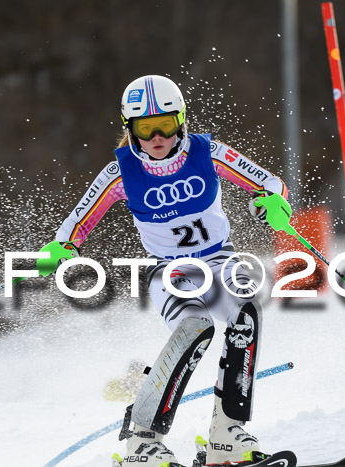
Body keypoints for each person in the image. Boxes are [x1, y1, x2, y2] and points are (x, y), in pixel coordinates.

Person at [51, 75, 288, 466]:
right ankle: (141, 440)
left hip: (219, 259)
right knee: (195, 328)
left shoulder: (208, 153)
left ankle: (226, 434)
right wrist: (61, 249)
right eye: (145, 127)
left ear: (182, 120)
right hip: (170, 271)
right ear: (130, 129)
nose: (157, 136)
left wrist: (273, 203)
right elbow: (75, 227)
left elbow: (267, 182)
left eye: (166, 123)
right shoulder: (120, 174)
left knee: (245, 314)